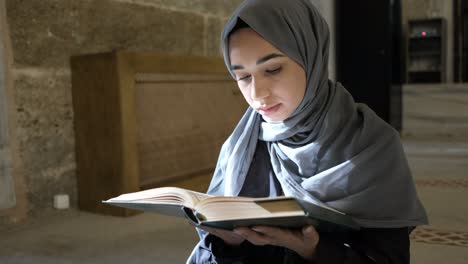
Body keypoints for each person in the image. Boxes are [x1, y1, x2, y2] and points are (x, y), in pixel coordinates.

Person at [187, 0, 428, 263]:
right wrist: (229, 243)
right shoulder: (239, 149)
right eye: (243, 77)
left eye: (273, 69)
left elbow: (390, 258)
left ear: (311, 56)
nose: (257, 95)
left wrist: (314, 250)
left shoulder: (370, 144)